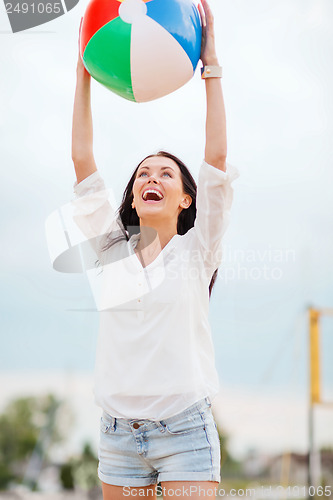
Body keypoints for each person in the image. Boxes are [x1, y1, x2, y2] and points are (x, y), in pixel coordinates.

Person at [69, 0, 239, 497]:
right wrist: (83, 71)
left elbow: (217, 158)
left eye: (166, 173)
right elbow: (82, 159)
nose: (152, 177)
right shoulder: (111, 253)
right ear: (134, 195)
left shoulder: (198, 248)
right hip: (118, 436)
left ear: (186, 198)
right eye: (144, 172)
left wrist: (211, 65)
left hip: (184, 429)